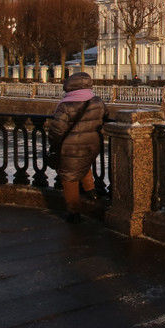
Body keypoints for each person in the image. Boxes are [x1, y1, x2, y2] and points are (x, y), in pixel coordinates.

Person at [46, 71, 107, 223]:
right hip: (92, 143)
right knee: (83, 164)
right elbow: (105, 115)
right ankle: (91, 191)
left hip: (71, 145)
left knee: (69, 177)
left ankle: (73, 212)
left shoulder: (66, 104)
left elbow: (57, 129)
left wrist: (54, 143)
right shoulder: (97, 101)